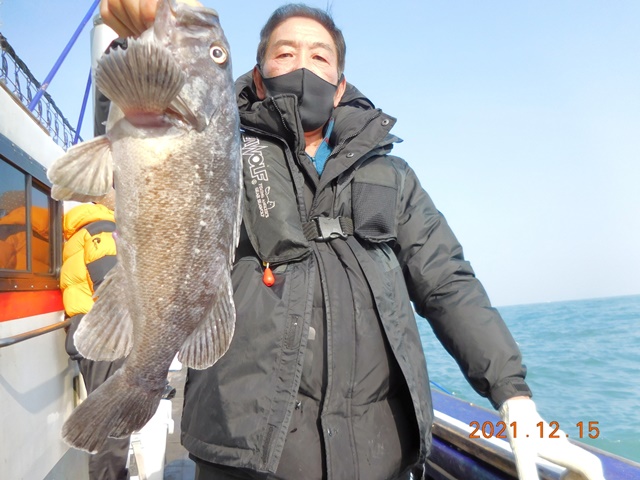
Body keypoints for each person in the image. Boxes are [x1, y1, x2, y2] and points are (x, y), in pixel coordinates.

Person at [98, 2, 606, 479]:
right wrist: (136, 46)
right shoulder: (214, 149)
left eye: (320, 56)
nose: (302, 64)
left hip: (380, 456)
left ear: (339, 86)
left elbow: (448, 283)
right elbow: (144, 154)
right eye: (284, 53)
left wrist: (513, 395)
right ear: (257, 76)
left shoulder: (392, 175)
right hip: (245, 455)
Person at [60, 190, 130, 480]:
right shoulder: (103, 229)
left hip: (93, 334)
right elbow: (111, 289)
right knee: (112, 420)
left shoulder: (81, 231)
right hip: (106, 337)